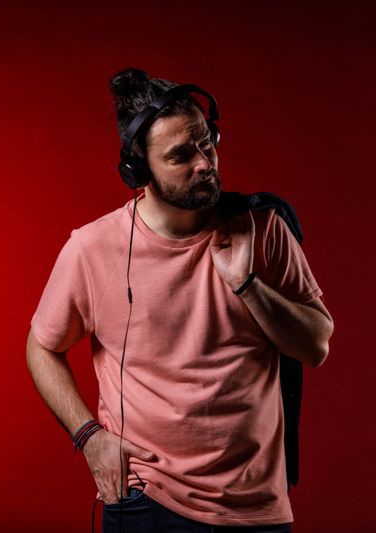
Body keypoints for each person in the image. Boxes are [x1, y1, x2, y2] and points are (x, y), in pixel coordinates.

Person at [25, 68, 334, 532]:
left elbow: (315, 347)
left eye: (207, 142)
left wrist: (248, 285)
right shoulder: (93, 249)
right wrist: (90, 438)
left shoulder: (265, 229)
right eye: (181, 156)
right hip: (148, 499)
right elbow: (41, 346)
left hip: (257, 507)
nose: (205, 163)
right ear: (139, 170)